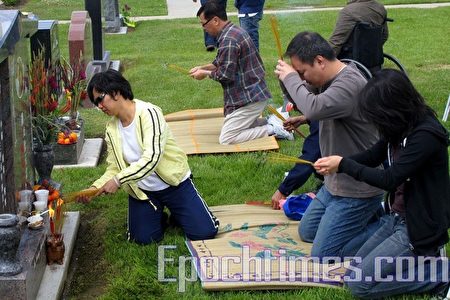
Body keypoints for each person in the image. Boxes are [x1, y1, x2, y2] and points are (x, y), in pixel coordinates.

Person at [314, 69, 450, 299]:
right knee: (353, 272)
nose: (373, 120)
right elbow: (372, 156)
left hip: (417, 227)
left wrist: (343, 165)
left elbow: (390, 179)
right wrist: (333, 164)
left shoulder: (425, 136)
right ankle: (424, 263)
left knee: (359, 286)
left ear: (392, 107)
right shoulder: (399, 127)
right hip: (396, 218)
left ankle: (438, 274)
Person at [274, 31, 384, 258]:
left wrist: (292, 80)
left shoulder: (349, 83)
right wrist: (288, 84)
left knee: (324, 254)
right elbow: (308, 104)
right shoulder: (327, 81)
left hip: (358, 187)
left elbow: (315, 106)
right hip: (334, 183)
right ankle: (365, 218)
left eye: (303, 72)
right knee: (307, 232)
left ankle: (386, 229)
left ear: (320, 61)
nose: (302, 79)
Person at [80, 69, 219, 245]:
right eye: (96, 103)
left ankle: (178, 211)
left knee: (205, 232)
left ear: (115, 91)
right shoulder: (111, 128)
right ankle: (158, 213)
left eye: (100, 99)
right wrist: (94, 188)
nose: (99, 106)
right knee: (143, 239)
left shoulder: (149, 113)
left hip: (174, 184)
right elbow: (115, 167)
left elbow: (152, 158)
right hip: (143, 191)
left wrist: (117, 181)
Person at [190, 0, 292, 145]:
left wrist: (204, 74)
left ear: (215, 20)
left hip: (250, 98)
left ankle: (274, 128)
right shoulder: (232, 32)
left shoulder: (229, 40)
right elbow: (219, 62)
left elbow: (225, 75)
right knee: (234, 127)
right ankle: (272, 120)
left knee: (227, 138)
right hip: (254, 94)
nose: (203, 28)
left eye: (204, 24)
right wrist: (202, 67)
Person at [271, 116, 321, 209]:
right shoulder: (327, 108)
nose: (294, 107)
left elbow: (310, 158)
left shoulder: (325, 118)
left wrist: (283, 190)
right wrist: (306, 118)